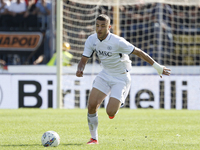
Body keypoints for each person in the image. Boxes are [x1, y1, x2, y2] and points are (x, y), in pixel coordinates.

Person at [76, 14, 171, 145]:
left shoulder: (117, 41)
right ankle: (94, 139)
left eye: (103, 26)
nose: (99, 29)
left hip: (121, 77)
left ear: (109, 27)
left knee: (110, 112)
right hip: (105, 74)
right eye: (97, 25)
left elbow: (139, 52)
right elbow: (83, 59)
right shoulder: (91, 40)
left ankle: (118, 102)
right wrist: (80, 69)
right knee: (91, 106)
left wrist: (157, 67)